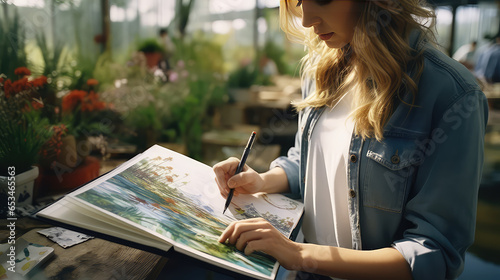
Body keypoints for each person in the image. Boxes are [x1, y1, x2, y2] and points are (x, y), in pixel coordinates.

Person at [213, 1, 488, 279]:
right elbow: (307, 159)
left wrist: (299, 255)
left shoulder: (451, 94)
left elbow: (433, 254)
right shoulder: (321, 67)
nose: (307, 20)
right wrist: (262, 180)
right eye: (299, 1)